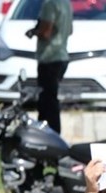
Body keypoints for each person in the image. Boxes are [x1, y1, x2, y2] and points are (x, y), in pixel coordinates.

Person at [26, 0, 73, 134]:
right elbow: (70, 30)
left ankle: (51, 134)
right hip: (62, 55)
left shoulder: (49, 4)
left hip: (49, 57)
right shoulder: (66, 3)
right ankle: (44, 132)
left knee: (47, 101)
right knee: (47, 98)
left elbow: (46, 32)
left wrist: (34, 32)